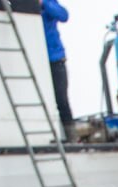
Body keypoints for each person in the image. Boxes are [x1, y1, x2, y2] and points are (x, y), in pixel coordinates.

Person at [41, 0, 74, 141]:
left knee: (61, 99)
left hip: (55, 60)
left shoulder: (47, 3)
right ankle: (53, 134)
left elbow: (64, 15)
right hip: (39, 60)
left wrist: (43, 3)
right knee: (46, 100)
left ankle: (71, 138)